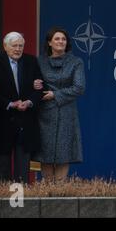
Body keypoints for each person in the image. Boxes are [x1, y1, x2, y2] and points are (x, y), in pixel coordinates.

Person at [0, 32, 43, 183]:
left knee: (22, 169)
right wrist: (11, 104)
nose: (18, 49)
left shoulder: (31, 61)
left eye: (21, 46)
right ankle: (4, 201)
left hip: (25, 121)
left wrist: (29, 102)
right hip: (3, 120)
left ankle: (20, 201)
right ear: (5, 46)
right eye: (14, 46)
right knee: (2, 167)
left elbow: (39, 88)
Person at [33, 27, 85, 182]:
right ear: (49, 42)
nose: (61, 41)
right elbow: (32, 82)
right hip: (44, 114)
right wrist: (34, 84)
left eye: (63, 39)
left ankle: (60, 192)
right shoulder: (39, 61)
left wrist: (56, 94)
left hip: (66, 113)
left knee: (64, 154)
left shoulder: (76, 62)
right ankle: (48, 191)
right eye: (57, 39)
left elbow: (79, 87)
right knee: (45, 155)